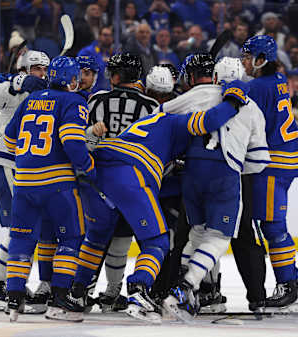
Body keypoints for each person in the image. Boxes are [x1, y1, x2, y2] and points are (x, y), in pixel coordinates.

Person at [70, 81, 244, 323]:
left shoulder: (146, 122)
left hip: (98, 172)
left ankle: (76, 293)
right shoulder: (173, 120)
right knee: (157, 241)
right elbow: (209, 121)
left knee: (96, 239)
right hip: (130, 173)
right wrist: (234, 100)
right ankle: (139, 291)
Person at [163, 57, 270, 321]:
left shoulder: (196, 93)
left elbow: (160, 114)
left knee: (197, 232)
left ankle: (177, 287)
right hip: (225, 173)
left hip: (191, 172)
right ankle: (186, 286)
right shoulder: (251, 107)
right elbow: (257, 161)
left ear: (214, 75)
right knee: (220, 238)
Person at [3, 56, 94, 322]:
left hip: (23, 183)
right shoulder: (74, 101)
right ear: (71, 80)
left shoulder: (31, 100)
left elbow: (10, 141)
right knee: (71, 238)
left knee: (21, 239)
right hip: (57, 185)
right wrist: (89, 168)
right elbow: (72, 141)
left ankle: (14, 297)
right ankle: (59, 299)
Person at [84, 53, 159, 312]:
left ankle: (82, 289)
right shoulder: (150, 105)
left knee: (93, 238)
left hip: (98, 179)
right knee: (122, 240)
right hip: (133, 181)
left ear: (115, 76)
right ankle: (114, 292)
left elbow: (85, 141)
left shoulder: (96, 100)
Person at [240, 35, 298, 310]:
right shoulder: (279, 80)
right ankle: (289, 285)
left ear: (260, 59)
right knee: (271, 225)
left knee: (272, 226)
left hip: (271, 164)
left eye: (248, 56)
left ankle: (289, 287)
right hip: (287, 160)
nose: (244, 62)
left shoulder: (256, 86)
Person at [0, 50, 50, 313]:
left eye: (44, 69)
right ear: (23, 68)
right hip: (5, 163)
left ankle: (3, 283)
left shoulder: (44, 94)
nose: (41, 74)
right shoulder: (9, 85)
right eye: (36, 68)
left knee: (24, 228)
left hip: (19, 168)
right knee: (23, 229)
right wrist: (18, 83)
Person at [77, 26, 114, 93]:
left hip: (108, 93)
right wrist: (104, 62)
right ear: (99, 36)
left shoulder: (114, 53)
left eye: (110, 35)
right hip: (90, 93)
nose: (107, 38)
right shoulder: (87, 51)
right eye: (105, 35)